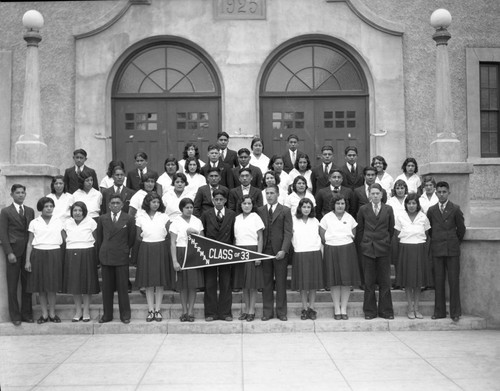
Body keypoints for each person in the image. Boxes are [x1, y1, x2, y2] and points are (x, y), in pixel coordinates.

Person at [427, 182, 466, 322]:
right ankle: (439, 312)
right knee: (438, 281)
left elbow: (461, 230)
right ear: (435, 193)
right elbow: (430, 230)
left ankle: (455, 312)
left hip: (452, 250)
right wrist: (438, 240)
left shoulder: (455, 209)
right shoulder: (431, 210)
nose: (441, 194)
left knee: (454, 281)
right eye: (439, 192)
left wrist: (454, 242)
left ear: (449, 192)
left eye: (444, 191)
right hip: (437, 250)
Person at [356, 183, 395, 320]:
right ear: (369, 195)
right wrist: (364, 244)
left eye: (377, 193)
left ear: (382, 194)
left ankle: (386, 311)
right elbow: (360, 229)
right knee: (369, 281)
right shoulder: (363, 209)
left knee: (385, 281)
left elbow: (391, 229)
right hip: (368, 249)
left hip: (383, 248)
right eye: (372, 193)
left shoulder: (388, 209)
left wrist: (385, 241)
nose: (375, 196)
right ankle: (369, 311)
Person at [96, 194, 136, 324]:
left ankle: (125, 315)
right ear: (108, 205)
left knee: (122, 288)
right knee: (107, 288)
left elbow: (131, 239)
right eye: (112, 203)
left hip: (121, 256)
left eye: (117, 203)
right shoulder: (102, 218)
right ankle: (107, 315)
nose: (115, 205)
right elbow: (100, 238)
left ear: (122, 205)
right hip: (106, 256)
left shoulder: (128, 219)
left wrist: (124, 249)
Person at [320, 193, 361, 320]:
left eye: (342, 203)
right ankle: (336, 308)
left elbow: (353, 235)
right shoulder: (326, 218)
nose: (340, 205)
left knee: (346, 281)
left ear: (345, 205)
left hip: (347, 250)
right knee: (334, 281)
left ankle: (344, 307)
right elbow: (322, 235)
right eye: (338, 203)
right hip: (331, 249)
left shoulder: (350, 218)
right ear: (333, 204)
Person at [25, 197, 64, 324]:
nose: (49, 208)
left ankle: (52, 314)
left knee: (52, 286)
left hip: (54, 253)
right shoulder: (34, 222)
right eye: (46, 206)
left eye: (51, 206)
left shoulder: (59, 221)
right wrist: (27, 260)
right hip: (38, 254)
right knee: (41, 286)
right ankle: (44, 314)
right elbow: (30, 243)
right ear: (41, 208)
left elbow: (66, 239)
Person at [256, 185, 293, 321]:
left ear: (277, 194)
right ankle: (267, 312)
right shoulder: (260, 210)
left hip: (280, 252)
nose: (269, 195)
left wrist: (284, 249)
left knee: (281, 283)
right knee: (266, 283)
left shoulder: (285, 210)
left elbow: (288, 232)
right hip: (265, 251)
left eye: (272, 193)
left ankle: (282, 312)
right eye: (267, 193)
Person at [0, 184, 35, 325]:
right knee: (13, 285)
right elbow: (3, 233)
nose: (20, 195)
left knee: (28, 285)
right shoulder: (6, 212)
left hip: (27, 253)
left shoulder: (30, 211)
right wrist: (9, 252)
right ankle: (15, 316)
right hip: (13, 253)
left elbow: (31, 232)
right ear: (12, 194)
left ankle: (27, 314)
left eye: (23, 192)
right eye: (18, 192)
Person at [201, 189, 237, 321]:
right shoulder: (206, 214)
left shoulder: (232, 214)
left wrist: (232, 250)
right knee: (210, 283)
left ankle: (225, 313)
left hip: (226, 253)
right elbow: (202, 233)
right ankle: (210, 313)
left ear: (225, 200)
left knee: (226, 283)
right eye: (216, 199)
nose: (219, 202)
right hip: (210, 253)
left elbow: (234, 234)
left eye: (221, 199)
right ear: (212, 200)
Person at [135, 192, 172, 322]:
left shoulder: (164, 217)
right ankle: (150, 310)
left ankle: (158, 309)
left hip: (161, 247)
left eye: (157, 202)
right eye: (153, 202)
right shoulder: (140, 217)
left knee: (160, 282)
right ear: (147, 203)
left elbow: (169, 235)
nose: (156, 204)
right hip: (146, 248)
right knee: (149, 282)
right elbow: (138, 236)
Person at [394, 194, 431, 319]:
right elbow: (397, 234)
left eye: (414, 203)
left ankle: (417, 308)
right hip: (406, 249)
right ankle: (410, 308)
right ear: (406, 204)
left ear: (417, 204)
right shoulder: (401, 217)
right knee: (408, 282)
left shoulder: (423, 217)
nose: (411, 206)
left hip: (419, 248)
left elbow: (426, 233)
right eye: (409, 203)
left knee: (418, 282)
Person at [62, 201, 100, 322]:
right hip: (71, 253)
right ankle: (78, 311)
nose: (77, 213)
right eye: (75, 210)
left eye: (80, 210)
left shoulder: (91, 222)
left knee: (87, 283)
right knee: (75, 283)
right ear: (72, 212)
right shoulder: (67, 222)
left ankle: (86, 310)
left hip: (87, 252)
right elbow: (63, 235)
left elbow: (96, 238)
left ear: (84, 211)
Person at [170, 198, 205, 322]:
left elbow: (202, 239)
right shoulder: (176, 222)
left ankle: (191, 311)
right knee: (183, 285)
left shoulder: (197, 221)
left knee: (192, 285)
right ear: (182, 209)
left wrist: (194, 232)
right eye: (187, 207)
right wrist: (174, 260)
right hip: (181, 252)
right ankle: (184, 310)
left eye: (191, 207)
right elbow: (173, 243)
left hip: (194, 253)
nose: (189, 210)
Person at [234, 196, 265, 322]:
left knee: (252, 285)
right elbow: (235, 238)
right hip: (240, 251)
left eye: (249, 203)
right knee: (244, 285)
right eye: (244, 203)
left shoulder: (255, 217)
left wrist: (258, 255)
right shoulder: (236, 218)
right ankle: (246, 310)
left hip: (252, 250)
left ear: (252, 205)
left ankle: (252, 310)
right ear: (240, 205)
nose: (247, 205)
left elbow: (260, 238)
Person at [292, 198, 323, 320]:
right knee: (303, 283)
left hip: (314, 252)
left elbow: (318, 237)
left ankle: (312, 308)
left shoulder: (315, 220)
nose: (306, 209)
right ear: (300, 208)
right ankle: (304, 308)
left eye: (308, 207)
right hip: (300, 252)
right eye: (304, 207)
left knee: (313, 283)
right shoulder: (294, 220)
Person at [387, 179, 409, 289]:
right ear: (394, 189)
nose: (400, 190)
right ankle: (397, 281)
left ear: (405, 189)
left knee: (406, 256)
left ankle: (405, 281)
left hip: (408, 231)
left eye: (402, 188)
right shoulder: (391, 201)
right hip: (395, 230)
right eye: (398, 188)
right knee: (396, 256)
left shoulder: (409, 199)